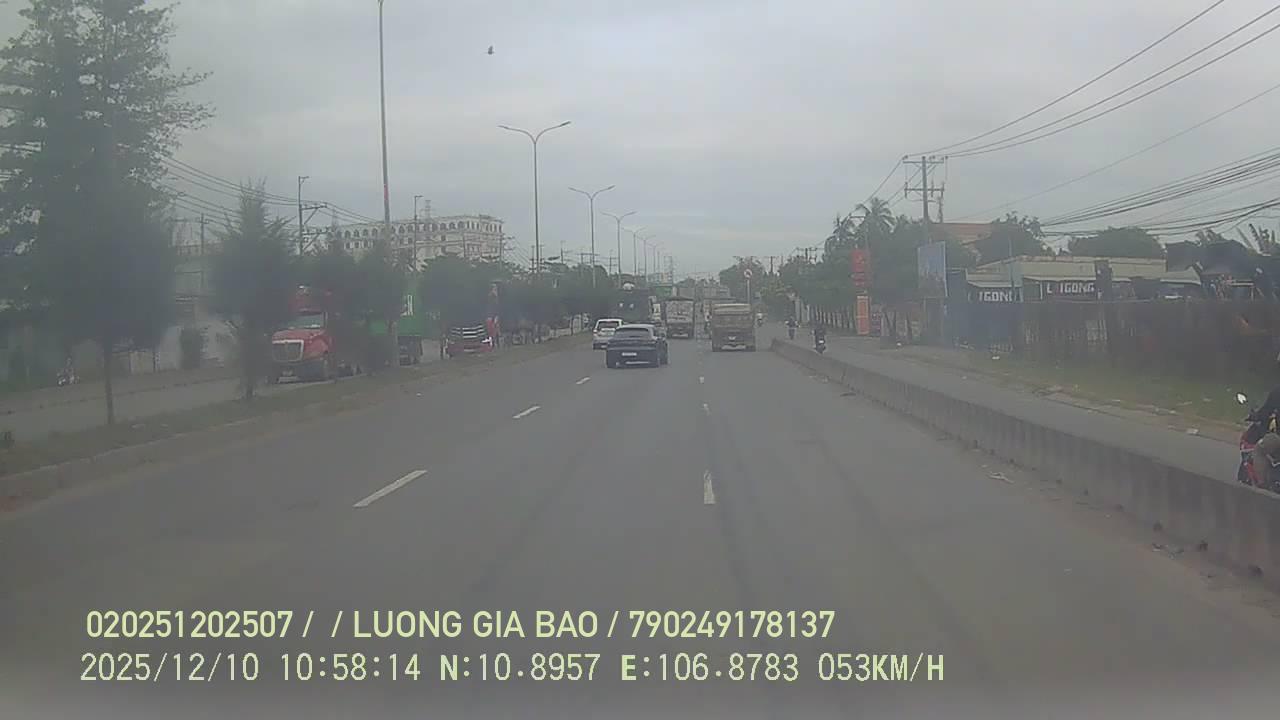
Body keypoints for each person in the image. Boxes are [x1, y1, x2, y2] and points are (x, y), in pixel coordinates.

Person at [1250, 377, 1280, 487]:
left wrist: (1255, 416)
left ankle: (1262, 486)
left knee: (1259, 450)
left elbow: (1265, 412)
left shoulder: (1277, 392)